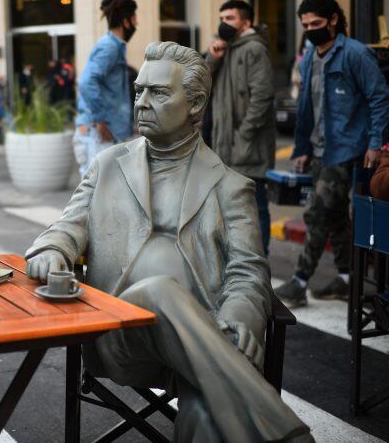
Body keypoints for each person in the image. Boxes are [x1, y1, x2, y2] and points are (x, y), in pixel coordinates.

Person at [26, 42, 313, 443]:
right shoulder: (108, 166)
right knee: (161, 292)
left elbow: (248, 270)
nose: (141, 102)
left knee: (207, 410)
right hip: (121, 334)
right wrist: (53, 250)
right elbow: (64, 228)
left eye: (158, 92)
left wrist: (241, 317)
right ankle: (285, 433)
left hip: (206, 340)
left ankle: (240, 402)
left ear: (195, 104)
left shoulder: (231, 186)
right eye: (139, 90)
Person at [275, 0, 389, 307]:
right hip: (319, 149)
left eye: (316, 23)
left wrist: (375, 143)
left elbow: (379, 99)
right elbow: (307, 107)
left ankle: (299, 281)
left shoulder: (356, 54)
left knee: (319, 213)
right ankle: (347, 278)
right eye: (305, 25)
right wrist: (301, 148)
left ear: (334, 20)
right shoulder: (311, 55)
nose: (310, 30)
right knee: (337, 215)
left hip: (347, 148)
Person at [205, 0, 276, 255]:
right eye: (221, 18)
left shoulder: (254, 49)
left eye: (230, 19)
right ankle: (238, 261)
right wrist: (212, 58)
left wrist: (243, 135)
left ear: (245, 23)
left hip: (249, 147)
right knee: (231, 210)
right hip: (225, 147)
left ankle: (259, 263)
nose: (223, 23)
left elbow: (262, 97)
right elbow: (199, 84)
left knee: (255, 208)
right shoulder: (224, 48)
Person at [74, 0, 137, 176]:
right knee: (96, 201)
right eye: (134, 19)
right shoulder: (109, 47)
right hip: (97, 135)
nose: (137, 23)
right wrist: (100, 121)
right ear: (125, 22)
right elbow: (86, 82)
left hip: (103, 135)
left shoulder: (114, 47)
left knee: (107, 200)